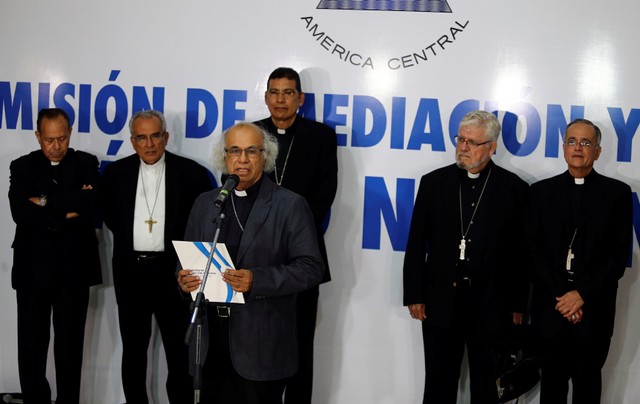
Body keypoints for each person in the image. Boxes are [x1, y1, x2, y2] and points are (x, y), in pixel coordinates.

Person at [177, 122, 325, 404]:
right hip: (210, 344)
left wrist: (257, 280)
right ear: (225, 155)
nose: (242, 160)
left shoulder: (289, 204)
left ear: (265, 156)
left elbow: (311, 267)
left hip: (261, 345)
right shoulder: (206, 203)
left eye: (251, 151)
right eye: (234, 151)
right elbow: (187, 259)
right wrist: (183, 281)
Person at [402, 110, 529, 403]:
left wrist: (518, 304)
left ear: (492, 147)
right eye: (461, 139)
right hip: (440, 300)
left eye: (472, 142)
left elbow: (520, 254)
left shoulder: (514, 190)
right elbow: (416, 240)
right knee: (438, 383)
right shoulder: (434, 183)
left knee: (486, 386)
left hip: (491, 304)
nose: (463, 147)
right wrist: (414, 293)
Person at [102, 110, 212, 403]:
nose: (149, 144)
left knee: (179, 355)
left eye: (154, 136)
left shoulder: (192, 174)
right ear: (132, 140)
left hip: (173, 274)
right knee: (133, 352)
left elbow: (202, 224)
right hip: (131, 274)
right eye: (141, 137)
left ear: (166, 136)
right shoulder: (114, 174)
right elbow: (113, 219)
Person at [528, 118, 632, 404]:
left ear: (597, 152)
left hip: (593, 311)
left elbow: (617, 257)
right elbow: (534, 252)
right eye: (572, 141)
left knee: (587, 390)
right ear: (563, 148)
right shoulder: (540, 193)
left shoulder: (617, 194)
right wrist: (563, 297)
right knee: (551, 389)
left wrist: (581, 294)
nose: (578, 148)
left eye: (586, 143)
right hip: (552, 308)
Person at [255, 67, 338, 404]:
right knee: (259, 340)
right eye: (274, 92)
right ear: (266, 97)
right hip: (256, 256)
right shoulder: (251, 134)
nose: (280, 99)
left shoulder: (320, 137)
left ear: (300, 99)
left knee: (301, 341)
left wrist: (291, 236)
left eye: (288, 93)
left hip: (302, 255)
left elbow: (325, 192)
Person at [9, 107, 102, 403]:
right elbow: (20, 212)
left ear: (70, 133)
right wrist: (65, 213)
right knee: (31, 347)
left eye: (62, 138)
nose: (56, 146)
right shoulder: (22, 166)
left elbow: (89, 204)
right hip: (32, 271)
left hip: (74, 269)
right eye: (49, 140)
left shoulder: (87, 162)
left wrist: (45, 201)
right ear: (38, 136)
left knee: (70, 347)